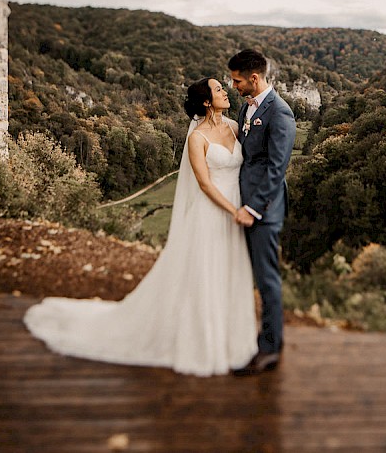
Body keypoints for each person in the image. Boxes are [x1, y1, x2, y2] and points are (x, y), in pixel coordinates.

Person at [23, 77, 258, 376]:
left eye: (224, 87)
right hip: (213, 212)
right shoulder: (197, 138)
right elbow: (203, 183)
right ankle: (203, 341)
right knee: (205, 272)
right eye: (218, 89)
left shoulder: (236, 128)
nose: (225, 91)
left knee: (228, 271)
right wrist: (232, 210)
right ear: (206, 102)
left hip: (237, 207)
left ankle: (229, 338)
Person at [228, 49, 297, 376]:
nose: (234, 85)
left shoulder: (280, 113)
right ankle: (265, 338)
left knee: (267, 279)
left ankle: (270, 348)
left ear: (254, 78)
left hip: (263, 209)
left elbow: (276, 168)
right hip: (243, 203)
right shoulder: (245, 108)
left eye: (237, 79)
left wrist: (254, 208)